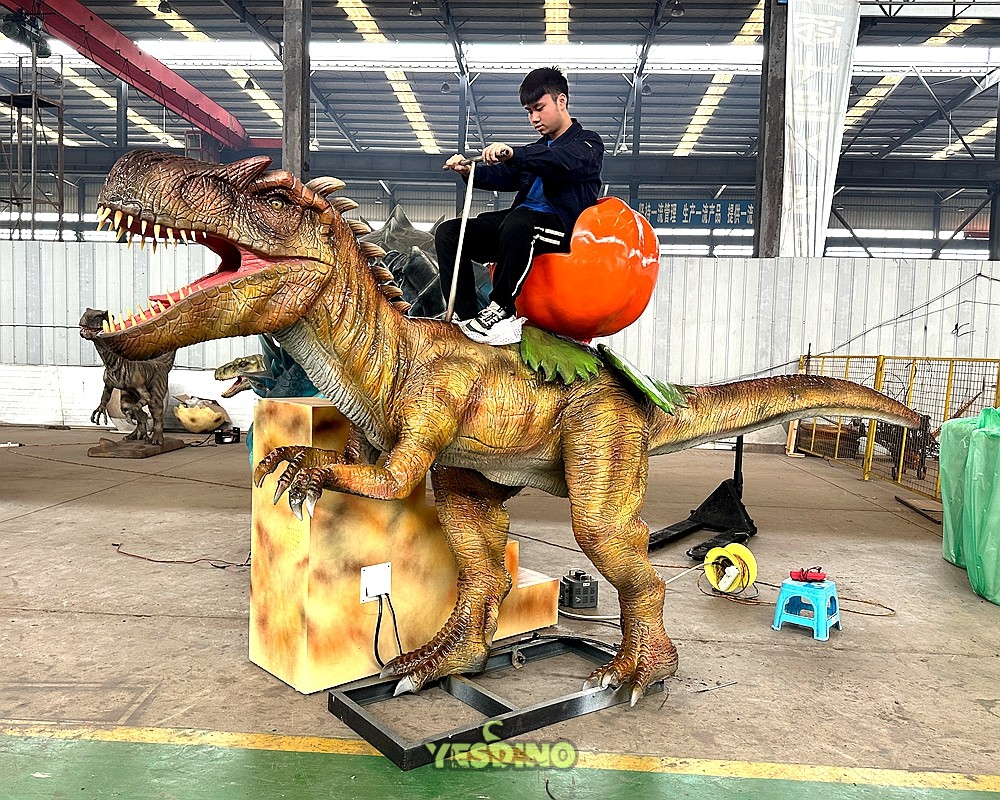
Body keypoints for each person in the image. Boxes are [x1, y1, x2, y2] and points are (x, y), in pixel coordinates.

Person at [436, 66, 604, 345]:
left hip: (562, 230)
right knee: (450, 233)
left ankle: (501, 307)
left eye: (539, 108)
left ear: (561, 101)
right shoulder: (537, 149)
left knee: (520, 221)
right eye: (529, 111)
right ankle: (466, 317)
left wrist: (515, 154)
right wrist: (469, 170)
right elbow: (507, 175)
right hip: (519, 227)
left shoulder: (588, 143)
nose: (534, 118)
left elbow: (561, 162)